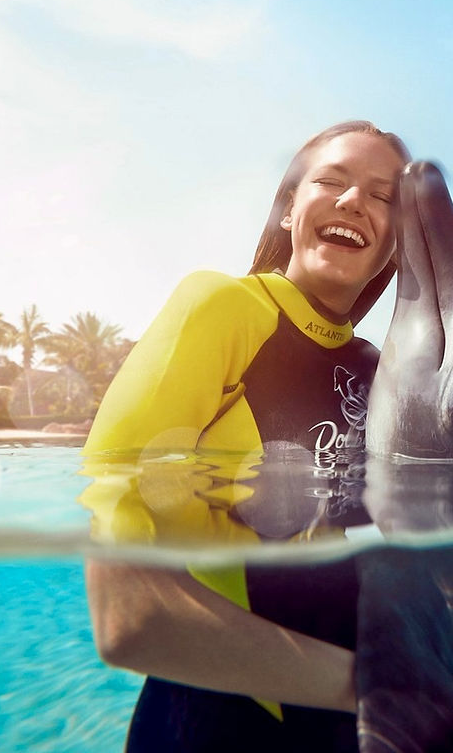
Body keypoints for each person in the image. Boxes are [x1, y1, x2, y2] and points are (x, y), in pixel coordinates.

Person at [81, 121, 411, 751]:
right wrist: (386, 692)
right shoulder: (221, 308)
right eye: (332, 180)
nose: (352, 202)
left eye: (382, 195)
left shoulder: (384, 372)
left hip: (353, 729)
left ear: (394, 243)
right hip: (215, 724)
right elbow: (127, 617)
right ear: (289, 208)